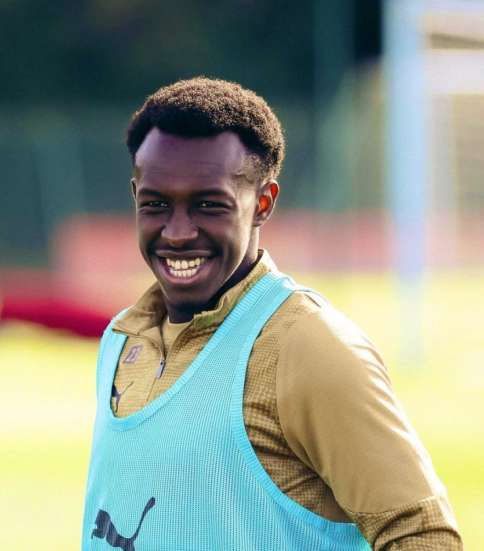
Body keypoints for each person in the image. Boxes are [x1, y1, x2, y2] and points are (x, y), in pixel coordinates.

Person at [82, 77, 462, 550]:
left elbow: (422, 534)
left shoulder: (308, 347)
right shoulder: (122, 339)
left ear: (263, 203)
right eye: (156, 204)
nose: (177, 233)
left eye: (208, 205)